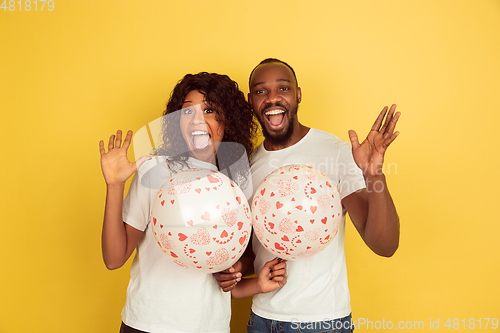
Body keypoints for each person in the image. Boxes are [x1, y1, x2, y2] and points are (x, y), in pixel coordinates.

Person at [215, 59, 400, 333]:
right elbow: (254, 246)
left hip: (322, 322)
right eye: (261, 91)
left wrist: (374, 175)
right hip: (261, 319)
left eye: (283, 88)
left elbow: (385, 246)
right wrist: (230, 271)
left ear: (298, 95)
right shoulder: (248, 163)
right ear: (251, 100)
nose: (273, 98)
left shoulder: (335, 152)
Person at [98, 72, 288, 333]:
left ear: (227, 120)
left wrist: (241, 275)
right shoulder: (155, 170)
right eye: (187, 112)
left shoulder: (237, 181)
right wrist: (115, 186)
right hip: (146, 324)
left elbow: (234, 266)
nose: (197, 120)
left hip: (210, 326)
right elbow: (113, 258)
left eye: (209, 109)